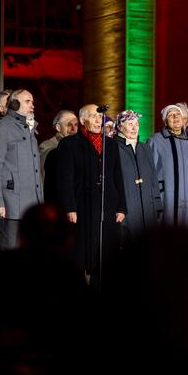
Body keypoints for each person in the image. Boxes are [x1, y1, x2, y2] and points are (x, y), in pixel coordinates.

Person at [55, 104, 126, 287]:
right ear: (82, 120)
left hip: (107, 205)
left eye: (100, 116)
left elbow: (118, 175)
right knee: (81, 253)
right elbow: (65, 179)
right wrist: (69, 206)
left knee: (104, 254)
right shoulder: (69, 144)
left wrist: (121, 206)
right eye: (93, 116)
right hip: (82, 206)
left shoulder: (111, 144)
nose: (98, 119)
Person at [0, 89, 43, 249]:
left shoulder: (29, 130)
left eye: (32, 102)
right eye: (27, 101)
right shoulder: (1, 128)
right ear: (14, 104)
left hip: (30, 208)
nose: (32, 105)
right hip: (10, 207)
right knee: (8, 253)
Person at [147, 103, 188, 228]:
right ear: (165, 121)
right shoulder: (156, 140)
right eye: (171, 115)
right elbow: (149, 173)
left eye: (178, 114)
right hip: (166, 199)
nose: (175, 117)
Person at [114, 110, 162, 242]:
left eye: (137, 124)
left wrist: (157, 205)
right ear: (119, 126)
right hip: (126, 209)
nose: (135, 128)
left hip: (147, 208)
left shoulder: (145, 148)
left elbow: (153, 177)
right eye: (130, 124)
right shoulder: (113, 148)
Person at [39, 109, 78, 179]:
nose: (74, 129)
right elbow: (43, 177)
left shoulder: (80, 145)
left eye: (76, 124)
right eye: (69, 124)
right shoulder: (46, 146)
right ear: (58, 127)